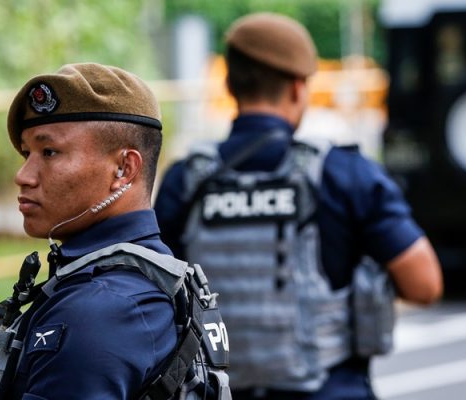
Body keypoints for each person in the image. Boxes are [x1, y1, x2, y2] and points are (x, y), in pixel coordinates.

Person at [154, 12, 443, 400]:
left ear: (229, 84)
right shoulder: (346, 175)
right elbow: (424, 285)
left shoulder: (185, 180)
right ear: (296, 89)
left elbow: (157, 293)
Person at [0, 63, 230, 400]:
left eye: (49, 152)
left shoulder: (102, 311)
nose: (23, 175)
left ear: (124, 168)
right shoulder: (132, 278)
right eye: (27, 154)